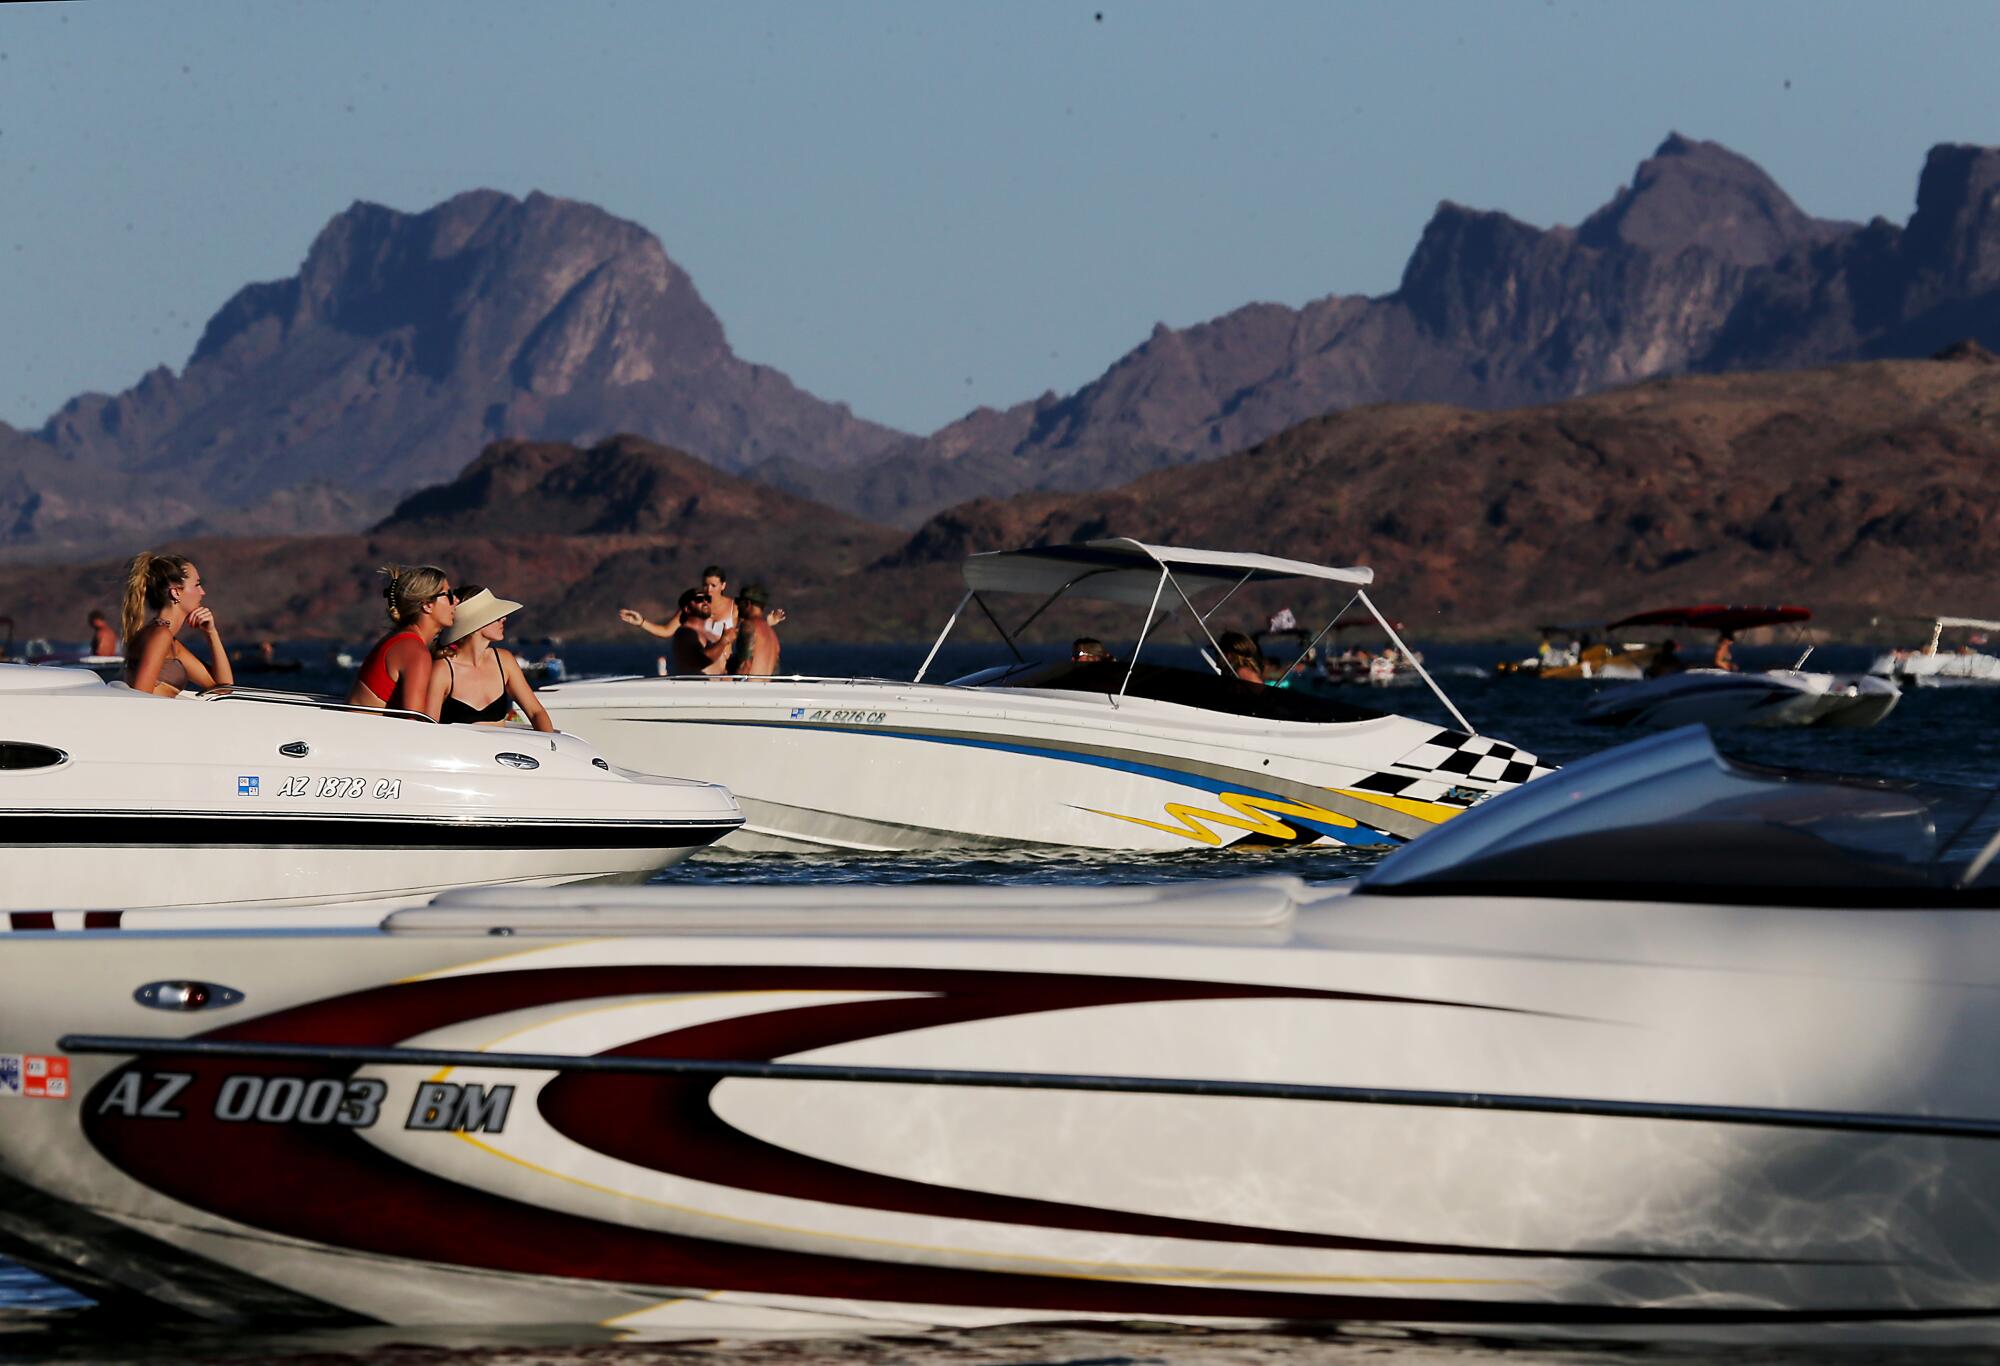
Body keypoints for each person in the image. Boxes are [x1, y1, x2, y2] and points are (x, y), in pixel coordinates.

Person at [427, 586, 554, 732]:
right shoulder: (443, 670)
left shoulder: (504, 661)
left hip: (500, 753)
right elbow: (430, 731)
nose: (503, 618)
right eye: (494, 615)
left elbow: (536, 712)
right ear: (475, 623)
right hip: (460, 754)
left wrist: (549, 745)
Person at [347, 564, 457, 716]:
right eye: (448, 595)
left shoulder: (401, 641)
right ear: (427, 605)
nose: (456, 600)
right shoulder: (414, 650)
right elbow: (414, 722)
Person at [121, 552, 234, 697]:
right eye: (197, 585)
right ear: (176, 593)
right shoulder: (160, 636)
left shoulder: (169, 641)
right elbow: (140, 699)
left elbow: (223, 688)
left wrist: (211, 633)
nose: (203, 592)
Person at [727, 584, 785, 676]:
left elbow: (745, 666)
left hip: (748, 688)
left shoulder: (748, 625)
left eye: (739, 603)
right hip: (765, 688)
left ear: (747, 604)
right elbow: (775, 671)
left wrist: (730, 664)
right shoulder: (773, 635)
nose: (737, 607)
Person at [700, 564, 739, 658]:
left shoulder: (734, 607)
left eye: (713, 585)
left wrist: (768, 622)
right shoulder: (697, 606)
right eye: (705, 585)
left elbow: (750, 630)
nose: (709, 590)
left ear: (723, 585)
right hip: (702, 666)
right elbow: (668, 630)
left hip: (725, 667)